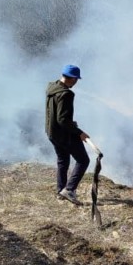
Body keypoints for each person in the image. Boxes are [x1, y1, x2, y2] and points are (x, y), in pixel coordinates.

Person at [45, 64, 91, 204]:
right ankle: (69, 190)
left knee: (63, 161)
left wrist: (71, 123)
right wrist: (79, 133)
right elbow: (62, 120)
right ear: (72, 79)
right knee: (83, 160)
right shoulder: (66, 94)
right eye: (76, 79)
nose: (76, 82)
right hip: (64, 134)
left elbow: (58, 116)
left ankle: (61, 191)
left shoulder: (51, 87)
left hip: (51, 132)